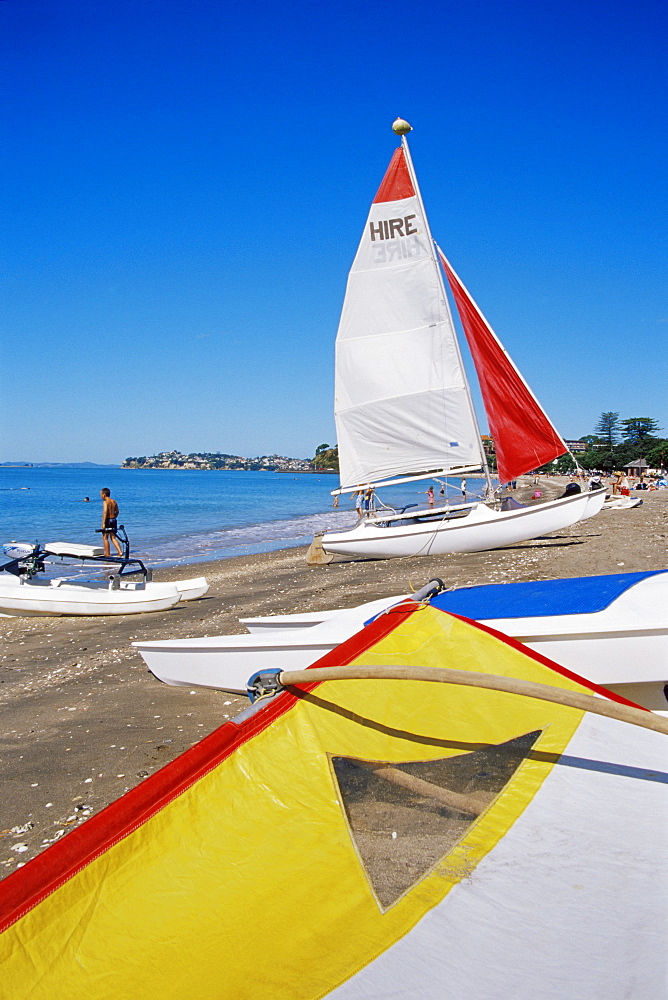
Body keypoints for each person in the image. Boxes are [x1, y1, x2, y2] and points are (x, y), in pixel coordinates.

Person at [100, 488, 123, 557]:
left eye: (101, 495)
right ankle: (120, 551)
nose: (101, 496)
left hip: (108, 520)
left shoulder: (105, 502)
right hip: (113, 520)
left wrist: (103, 523)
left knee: (105, 537)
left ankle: (107, 553)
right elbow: (117, 511)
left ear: (104, 495)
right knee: (113, 537)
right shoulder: (114, 501)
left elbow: (105, 512)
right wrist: (114, 517)